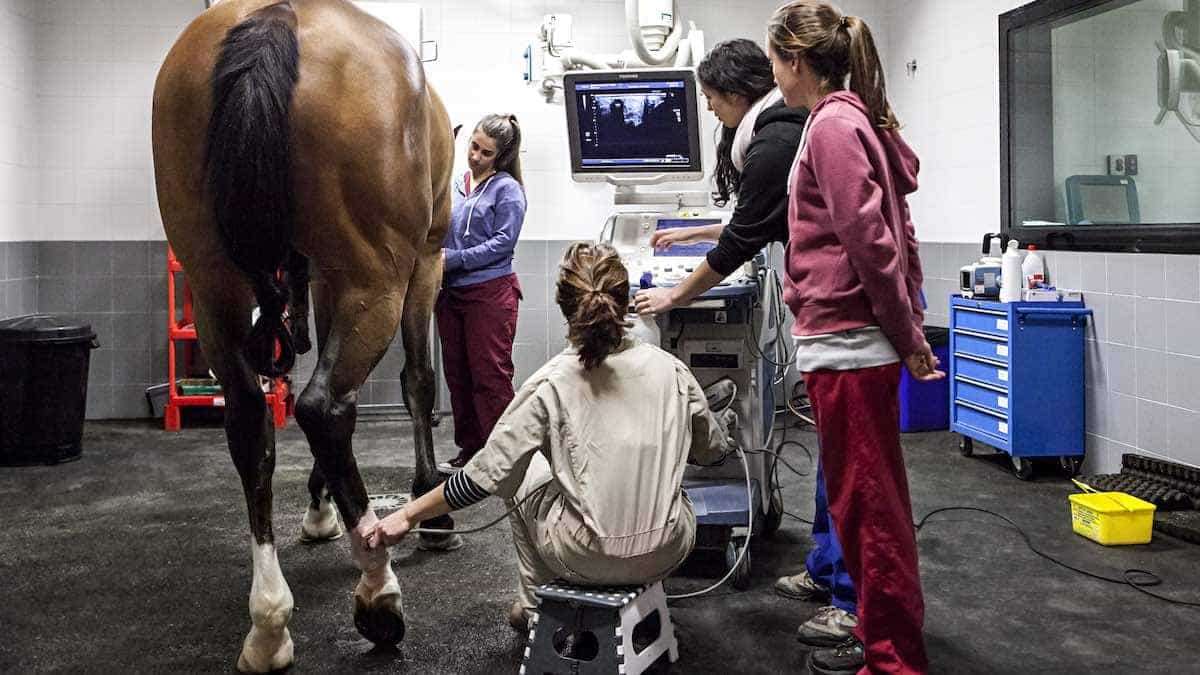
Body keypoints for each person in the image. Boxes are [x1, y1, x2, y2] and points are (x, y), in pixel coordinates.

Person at [369, 243, 731, 629]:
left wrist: (407, 515)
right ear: (626, 302)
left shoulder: (548, 383)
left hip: (581, 555)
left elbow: (481, 479)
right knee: (666, 480)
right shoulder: (672, 371)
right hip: (667, 549)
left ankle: (532, 605)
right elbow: (713, 454)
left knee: (521, 474)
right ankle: (641, 592)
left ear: (564, 308)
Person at [633, 39, 859, 651]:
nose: (710, 113)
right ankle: (826, 569)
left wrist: (676, 296)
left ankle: (850, 599)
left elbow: (744, 239)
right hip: (825, 314)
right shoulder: (782, 134)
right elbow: (751, 220)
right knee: (832, 458)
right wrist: (692, 230)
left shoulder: (785, 139)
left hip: (847, 324)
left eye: (710, 101)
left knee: (851, 468)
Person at [766, 3, 944, 674]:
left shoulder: (834, 127)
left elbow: (873, 243)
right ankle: (888, 647)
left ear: (798, 61)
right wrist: (908, 329)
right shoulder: (846, 119)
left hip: (848, 342)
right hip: (849, 341)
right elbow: (898, 234)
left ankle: (894, 661)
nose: (775, 76)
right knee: (867, 507)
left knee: (868, 514)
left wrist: (906, 333)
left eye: (777, 62)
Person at [437, 114, 527, 473]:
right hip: (452, 295)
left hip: (489, 293)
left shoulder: (507, 189)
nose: (474, 156)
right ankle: (471, 452)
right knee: (458, 376)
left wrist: (453, 259)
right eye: (473, 146)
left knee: (490, 377)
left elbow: (503, 244)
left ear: (500, 157)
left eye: (485, 152)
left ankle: (504, 459)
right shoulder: (457, 184)